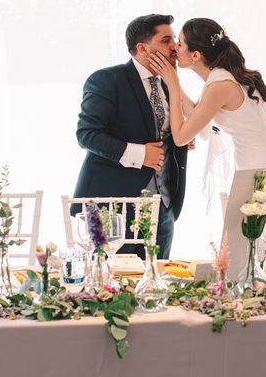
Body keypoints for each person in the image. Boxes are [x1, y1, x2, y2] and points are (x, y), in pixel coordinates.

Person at [72, 14, 188, 259]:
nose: (174, 47)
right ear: (142, 48)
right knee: (113, 286)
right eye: (166, 40)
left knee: (158, 284)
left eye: (174, 40)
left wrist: (180, 140)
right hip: (114, 205)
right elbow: (87, 134)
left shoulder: (169, 83)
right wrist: (140, 154)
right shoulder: (107, 80)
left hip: (163, 207)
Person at [148, 17, 266, 198]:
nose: (175, 48)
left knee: (257, 226)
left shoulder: (220, 85)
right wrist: (173, 79)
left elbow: (181, 137)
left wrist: (173, 85)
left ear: (195, 55)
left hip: (262, 170)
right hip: (256, 164)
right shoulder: (221, 78)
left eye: (180, 44)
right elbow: (196, 113)